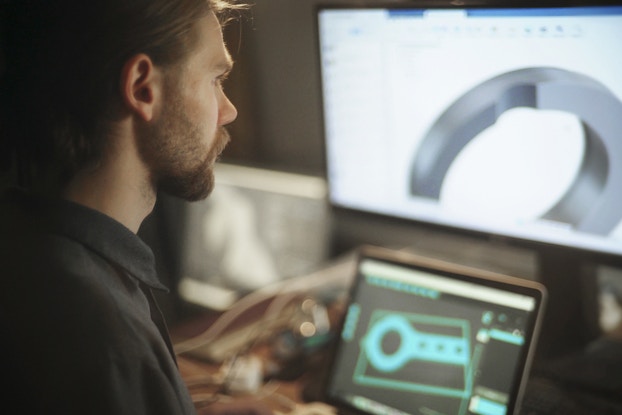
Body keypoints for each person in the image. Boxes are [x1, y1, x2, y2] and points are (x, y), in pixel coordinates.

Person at [0, 0, 272, 414]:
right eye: (216, 78)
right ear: (143, 88)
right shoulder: (105, 339)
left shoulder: (25, 243)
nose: (229, 110)